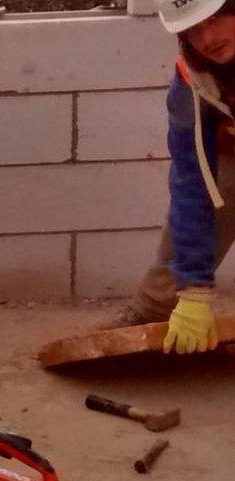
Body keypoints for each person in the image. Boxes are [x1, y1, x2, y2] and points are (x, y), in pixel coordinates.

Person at [101, 0, 234, 354]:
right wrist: (194, 291)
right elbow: (192, 185)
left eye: (216, 19)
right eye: (193, 28)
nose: (207, 38)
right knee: (220, 182)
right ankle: (156, 307)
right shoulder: (192, 83)